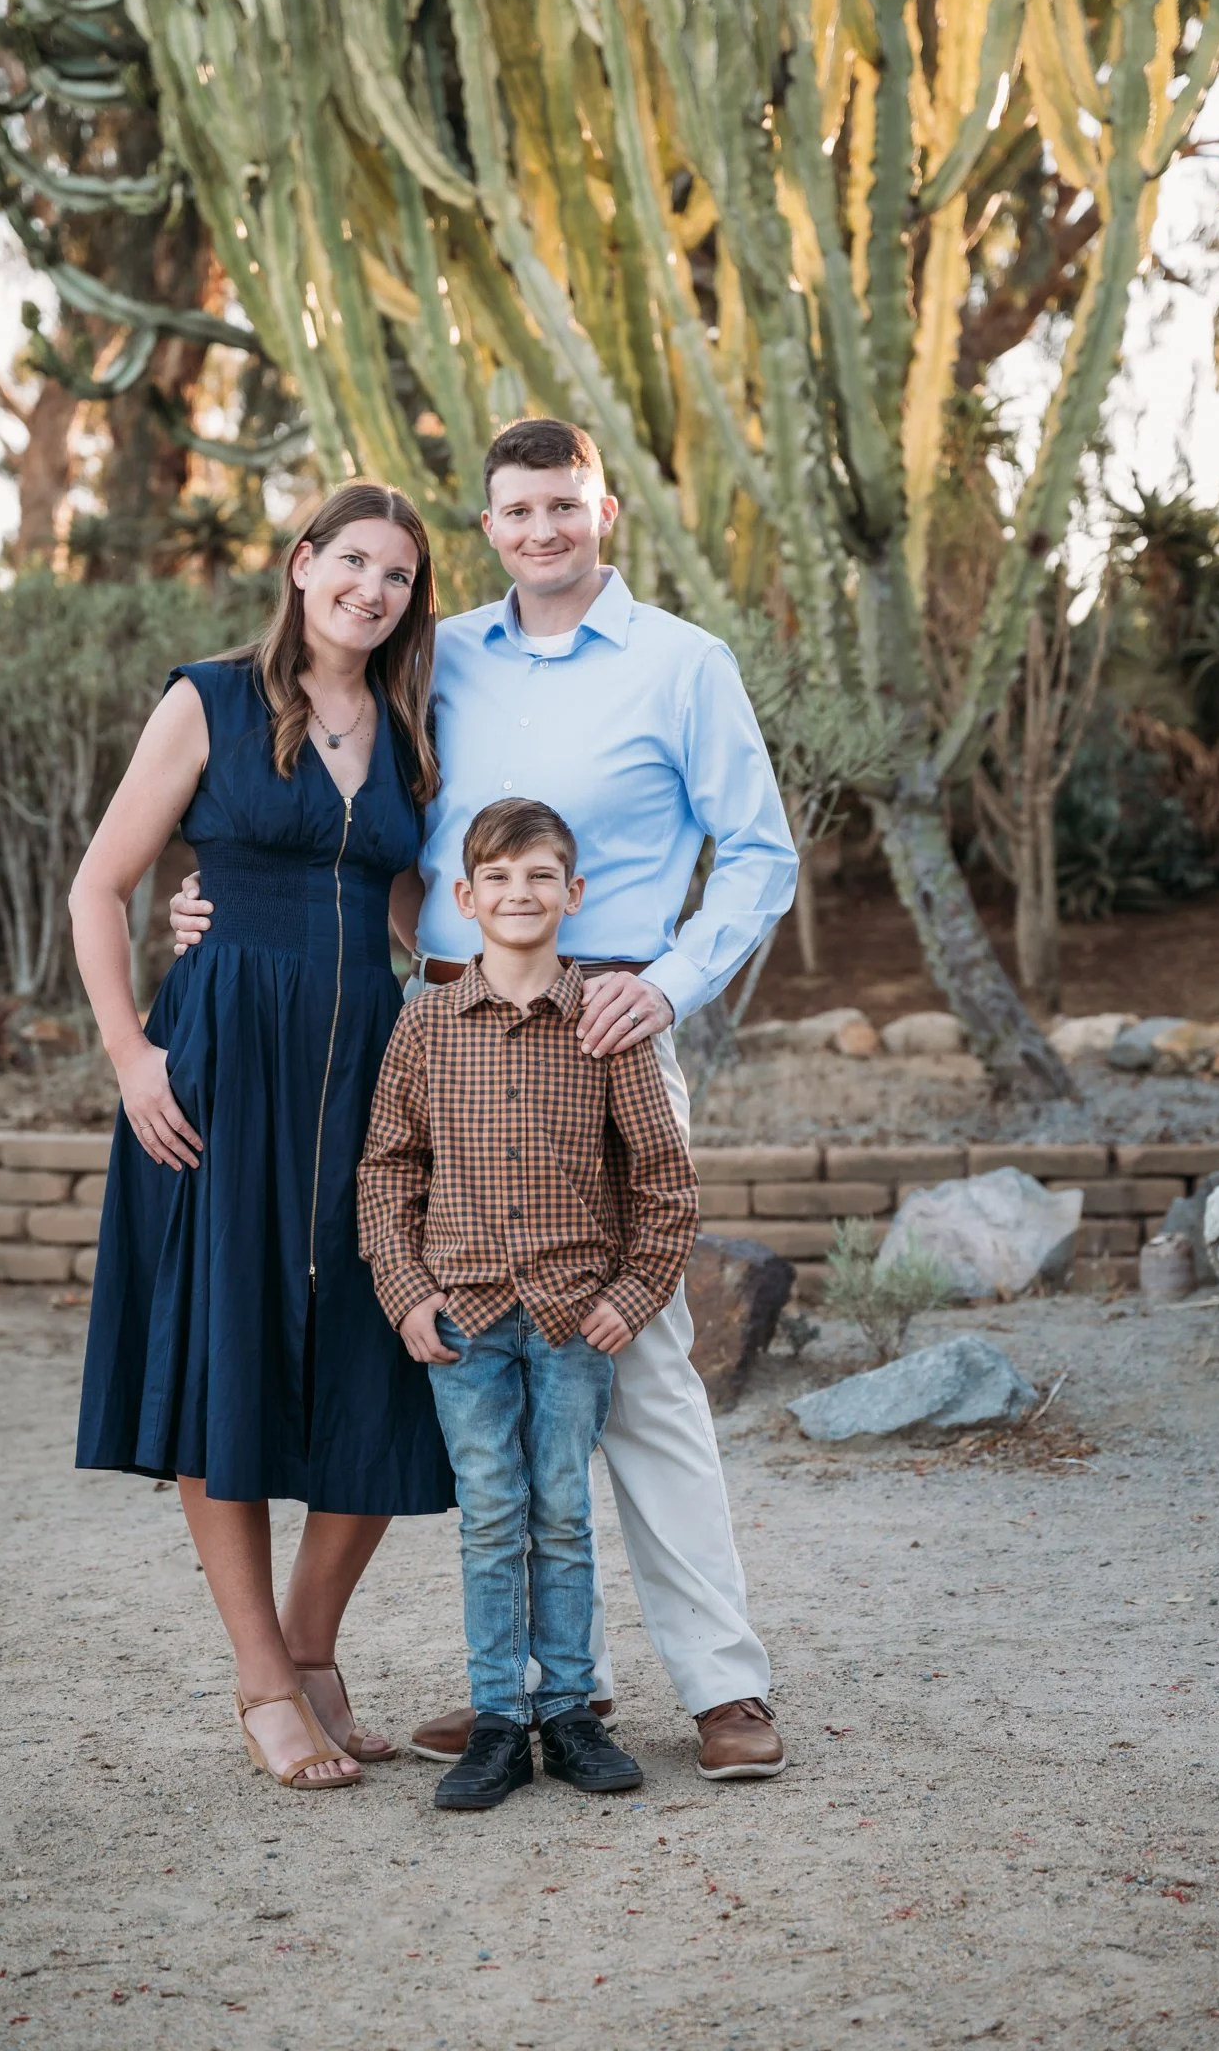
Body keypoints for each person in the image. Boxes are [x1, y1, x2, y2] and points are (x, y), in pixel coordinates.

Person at [173, 417, 797, 1781]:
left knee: (631, 1361)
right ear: (489, 526)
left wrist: (671, 985)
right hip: (445, 1027)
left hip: (606, 1025)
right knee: (480, 1366)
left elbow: (758, 854)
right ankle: (523, 1691)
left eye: (564, 507)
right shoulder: (436, 658)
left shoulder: (685, 665)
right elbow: (356, 812)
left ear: (606, 510)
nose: (542, 532)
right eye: (516, 512)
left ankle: (724, 1688)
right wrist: (214, 901)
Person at [70, 482, 454, 1795]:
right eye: (352, 561)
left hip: (367, 1078)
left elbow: (413, 912)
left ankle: (312, 1649)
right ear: (301, 566)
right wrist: (131, 1058)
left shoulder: (407, 730)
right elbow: (99, 884)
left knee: (382, 1349)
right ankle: (257, 1683)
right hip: (221, 1065)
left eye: (397, 576)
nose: (372, 590)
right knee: (222, 1349)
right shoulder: (211, 701)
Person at [357, 797, 699, 1810]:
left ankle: (570, 1714)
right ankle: (499, 1719)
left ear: (573, 892)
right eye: (497, 879)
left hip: (570, 1316)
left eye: (540, 876)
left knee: (559, 1509)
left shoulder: (605, 1020)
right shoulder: (425, 1021)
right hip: (462, 1317)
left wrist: (634, 1296)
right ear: (461, 899)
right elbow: (387, 1169)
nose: (519, 894)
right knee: (491, 1513)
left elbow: (664, 1182)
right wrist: (406, 1290)